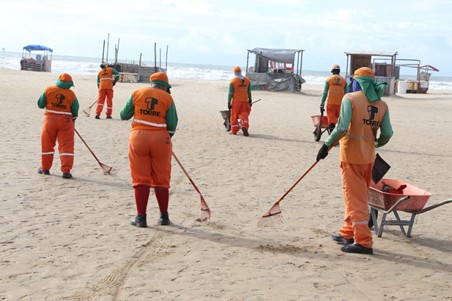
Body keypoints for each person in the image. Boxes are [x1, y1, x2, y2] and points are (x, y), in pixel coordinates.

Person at [316, 67, 393, 254]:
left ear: (357, 82)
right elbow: (388, 133)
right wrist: (374, 143)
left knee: (355, 199)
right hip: (368, 158)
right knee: (356, 196)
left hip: (351, 156)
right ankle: (347, 232)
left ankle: (364, 241)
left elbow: (341, 127)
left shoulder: (349, 99)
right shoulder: (382, 105)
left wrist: (326, 146)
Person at [120, 72, 178, 227]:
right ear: (164, 86)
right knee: (162, 179)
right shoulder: (168, 98)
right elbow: (172, 124)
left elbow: (123, 115)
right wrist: (166, 138)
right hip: (160, 138)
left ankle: (141, 218)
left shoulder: (137, 93)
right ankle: (164, 217)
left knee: (140, 179)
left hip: (138, 138)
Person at [37, 73, 79, 179]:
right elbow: (75, 110)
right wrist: (73, 118)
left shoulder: (49, 90)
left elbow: (40, 104)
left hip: (50, 120)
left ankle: (45, 168)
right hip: (65, 121)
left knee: (47, 144)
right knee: (66, 146)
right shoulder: (71, 94)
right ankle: (66, 171)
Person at [320, 64, 347, 133]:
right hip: (341, 104)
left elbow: (325, 92)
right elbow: (346, 94)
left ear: (332, 71)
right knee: (338, 121)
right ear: (339, 71)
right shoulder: (344, 81)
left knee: (332, 121)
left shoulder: (329, 79)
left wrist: (322, 103)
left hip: (331, 103)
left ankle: (332, 135)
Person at [228, 66, 252, 136]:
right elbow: (249, 91)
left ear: (234, 72)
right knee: (244, 114)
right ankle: (244, 125)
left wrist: (228, 102)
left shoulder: (233, 81)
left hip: (236, 102)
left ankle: (234, 130)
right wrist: (250, 100)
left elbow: (230, 93)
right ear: (240, 72)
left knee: (234, 116)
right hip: (245, 101)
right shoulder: (247, 80)